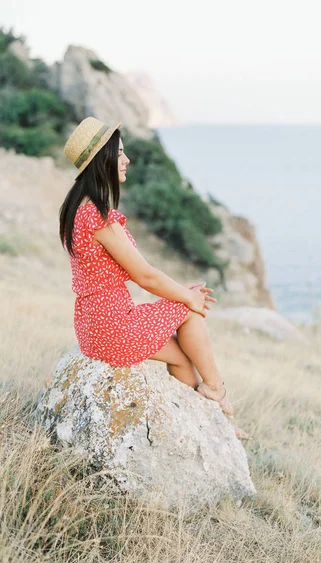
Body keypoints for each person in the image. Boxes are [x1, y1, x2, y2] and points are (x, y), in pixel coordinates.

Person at [59, 116, 250, 440]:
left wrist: (181, 292)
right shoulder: (98, 215)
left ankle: (214, 421)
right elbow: (145, 275)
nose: (126, 160)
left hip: (93, 325)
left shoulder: (77, 208)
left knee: (181, 358)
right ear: (101, 159)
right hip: (112, 324)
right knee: (189, 311)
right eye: (119, 153)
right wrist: (185, 297)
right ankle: (219, 394)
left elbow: (142, 276)